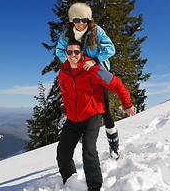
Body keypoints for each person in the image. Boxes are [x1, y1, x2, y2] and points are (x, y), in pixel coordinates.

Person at [57, 40, 136, 190]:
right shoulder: (63, 72)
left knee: (89, 150)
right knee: (63, 152)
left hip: (92, 115)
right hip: (73, 118)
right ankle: (70, 182)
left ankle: (95, 187)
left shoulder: (92, 69)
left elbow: (116, 84)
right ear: (65, 54)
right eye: (69, 52)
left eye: (76, 52)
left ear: (81, 53)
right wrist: (69, 111)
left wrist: (127, 104)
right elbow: (65, 94)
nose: (72, 55)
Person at [56, 2, 121, 159]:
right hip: (78, 74)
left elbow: (110, 48)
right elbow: (59, 51)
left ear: (89, 20)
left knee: (105, 109)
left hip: (98, 72)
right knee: (77, 101)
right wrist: (72, 63)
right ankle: (80, 130)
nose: (80, 23)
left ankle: (114, 145)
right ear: (72, 20)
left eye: (84, 20)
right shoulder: (67, 34)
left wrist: (95, 60)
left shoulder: (96, 31)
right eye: (77, 20)